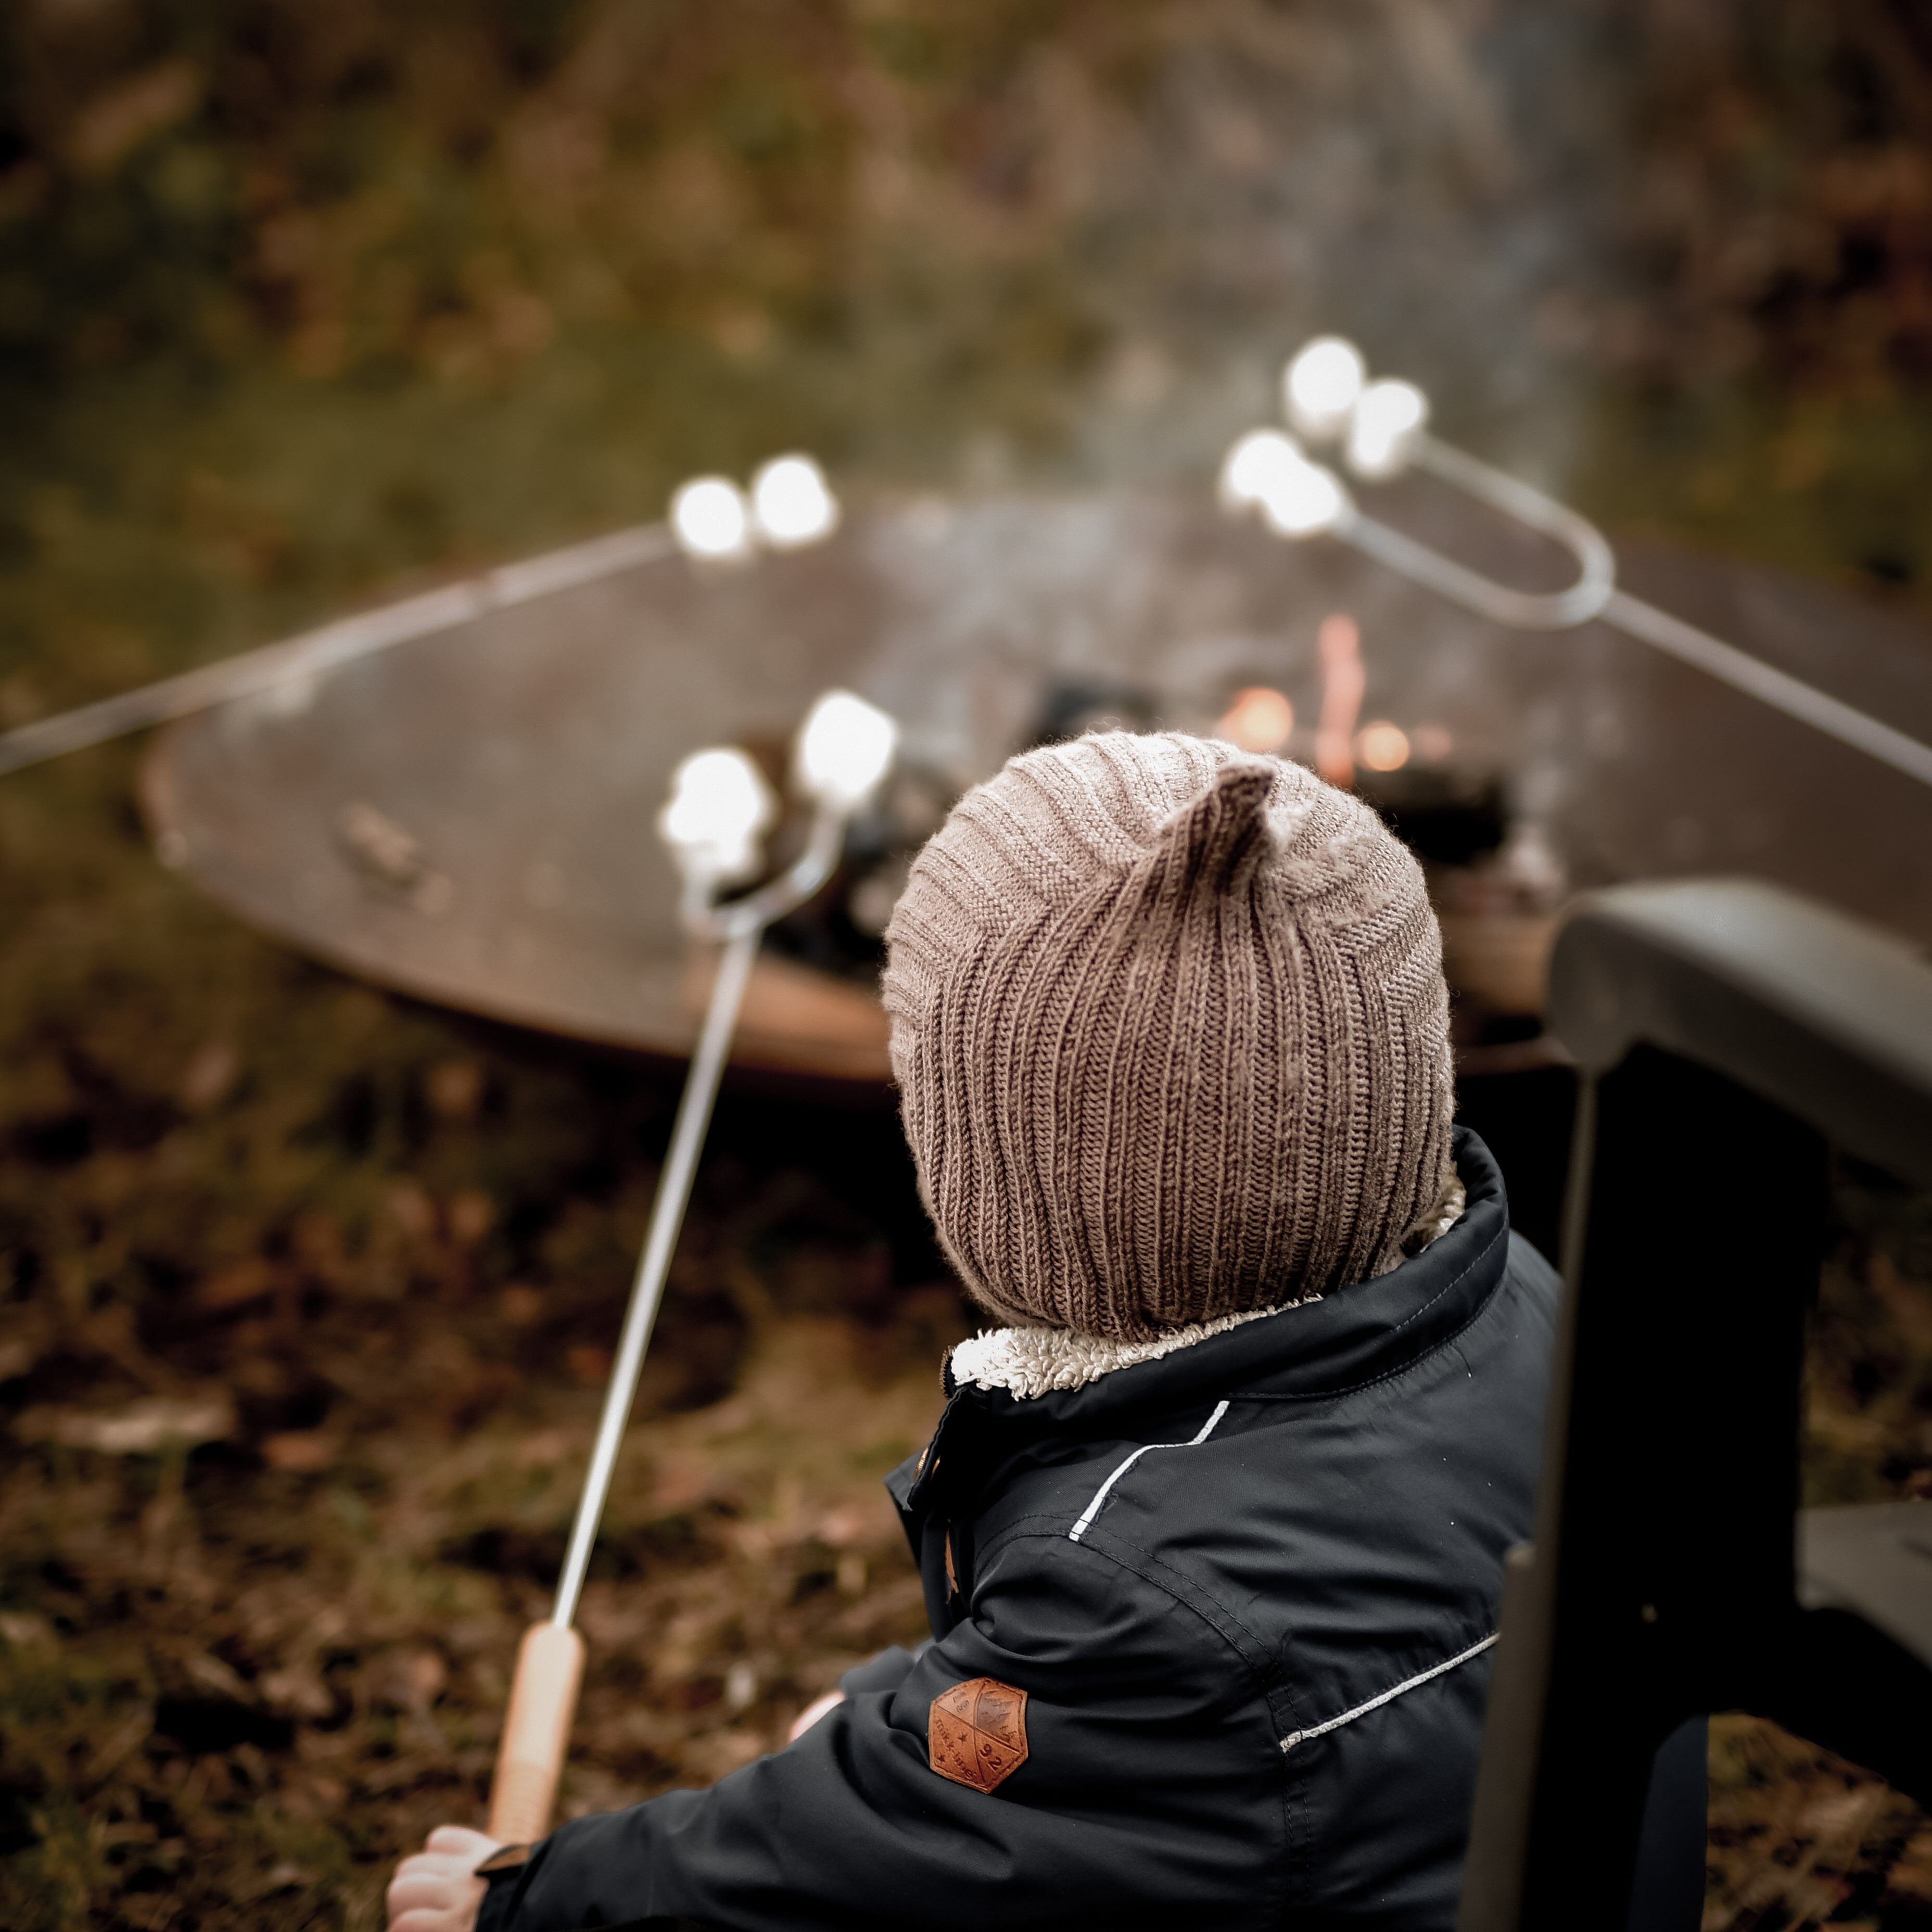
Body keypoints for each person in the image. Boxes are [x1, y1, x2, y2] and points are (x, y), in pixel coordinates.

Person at [388, 731, 1559, 1932]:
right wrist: (906, 1712)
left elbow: (861, 1867)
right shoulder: (1518, 1300)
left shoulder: (1130, 1590)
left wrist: (538, 1900)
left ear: (1007, 1172)